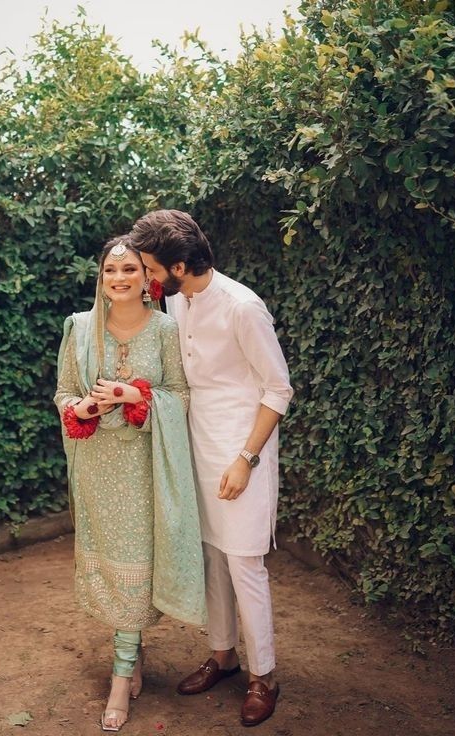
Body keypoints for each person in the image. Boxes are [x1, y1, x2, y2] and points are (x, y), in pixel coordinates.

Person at [130, 210, 294, 728]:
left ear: (179, 265)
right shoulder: (177, 303)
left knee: (244, 564)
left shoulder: (243, 306)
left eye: (153, 269)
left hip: (241, 454)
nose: (149, 279)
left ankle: (263, 676)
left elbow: (279, 389)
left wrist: (246, 460)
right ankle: (224, 656)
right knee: (212, 561)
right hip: (194, 451)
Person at [53, 235, 206, 732]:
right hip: (98, 465)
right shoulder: (78, 328)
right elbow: (63, 394)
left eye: (130, 271)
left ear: (146, 279)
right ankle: (130, 651)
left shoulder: (165, 329)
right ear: (101, 278)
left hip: (144, 465)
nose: (119, 279)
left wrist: (132, 394)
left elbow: (180, 395)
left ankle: (121, 675)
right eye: (110, 271)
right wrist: (83, 407)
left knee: (137, 562)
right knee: (112, 563)